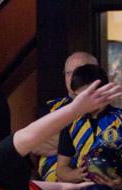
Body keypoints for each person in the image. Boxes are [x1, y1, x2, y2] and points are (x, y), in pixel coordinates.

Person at [34, 51, 98, 182]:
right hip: (53, 187)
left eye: (79, 71)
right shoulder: (51, 107)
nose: (73, 77)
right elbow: (35, 145)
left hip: (95, 183)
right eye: (68, 73)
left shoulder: (107, 110)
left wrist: (59, 143)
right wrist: (80, 145)